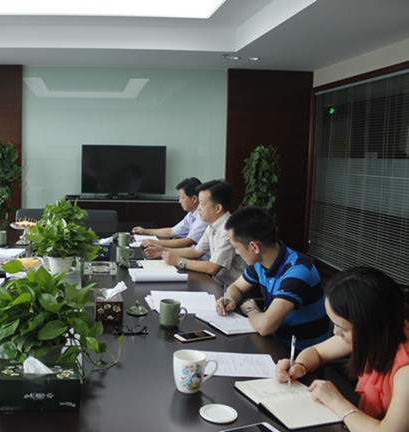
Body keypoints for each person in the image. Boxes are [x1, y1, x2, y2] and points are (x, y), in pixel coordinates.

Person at [275, 267, 409, 431]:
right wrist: (299, 365)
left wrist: (335, 401)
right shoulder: (375, 335)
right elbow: (316, 352)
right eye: (334, 324)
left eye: (342, 328)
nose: (335, 332)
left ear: (369, 326)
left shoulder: (405, 369)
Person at [215, 205, 331, 349]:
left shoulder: (298, 271)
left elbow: (265, 327)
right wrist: (231, 299)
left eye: (236, 247)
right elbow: (236, 287)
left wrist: (250, 309)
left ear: (254, 247)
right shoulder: (260, 263)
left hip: (301, 353)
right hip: (275, 342)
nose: (236, 252)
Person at [145, 179, 245, 287]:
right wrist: (162, 250)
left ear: (218, 208)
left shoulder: (228, 229)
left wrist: (179, 261)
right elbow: (196, 252)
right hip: (216, 282)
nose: (198, 208)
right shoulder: (213, 224)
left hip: (232, 288)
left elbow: (212, 268)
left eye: (202, 204)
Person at [132, 177, 207, 249]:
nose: (180, 201)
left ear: (194, 199)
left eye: (182, 197)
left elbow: (187, 242)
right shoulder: (191, 215)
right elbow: (171, 232)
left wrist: (155, 243)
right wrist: (145, 231)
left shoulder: (202, 217)